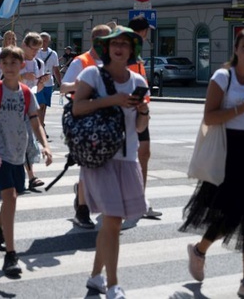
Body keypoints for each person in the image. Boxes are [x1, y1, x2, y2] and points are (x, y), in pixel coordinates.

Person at [181, 27, 244, 299]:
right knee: (229, 213)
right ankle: (200, 250)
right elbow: (209, 117)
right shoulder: (223, 77)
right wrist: (243, 108)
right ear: (236, 49)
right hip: (228, 149)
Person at [71, 26, 149, 298]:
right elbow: (77, 107)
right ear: (106, 48)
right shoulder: (92, 73)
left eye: (124, 44)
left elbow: (139, 128)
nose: (119, 48)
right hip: (99, 156)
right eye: (114, 43)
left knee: (111, 224)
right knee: (113, 220)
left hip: (127, 157)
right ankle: (113, 284)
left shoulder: (138, 82)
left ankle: (95, 277)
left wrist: (143, 111)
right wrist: (111, 100)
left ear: (131, 51)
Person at [0, 46, 52, 277]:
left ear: (21, 66)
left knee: (12, 197)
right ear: (0, 65)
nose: (9, 67)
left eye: (14, 63)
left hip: (19, 154)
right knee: (10, 197)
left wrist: (45, 145)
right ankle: (11, 254)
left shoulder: (27, 93)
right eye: (5, 63)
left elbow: (35, 121)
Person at [60, 24, 112, 230]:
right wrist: (86, 84)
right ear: (93, 41)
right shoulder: (81, 61)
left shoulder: (112, 61)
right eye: (100, 41)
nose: (105, 45)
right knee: (87, 165)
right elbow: (64, 87)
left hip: (106, 121)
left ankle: (85, 193)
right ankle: (82, 209)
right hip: (83, 119)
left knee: (105, 166)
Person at [127, 15, 163, 219]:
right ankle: (87, 189)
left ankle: (140, 200)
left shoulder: (138, 51)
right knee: (124, 157)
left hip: (141, 109)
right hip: (126, 110)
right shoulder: (126, 48)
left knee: (144, 153)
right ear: (143, 31)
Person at [20, 32, 49, 190]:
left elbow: (37, 88)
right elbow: (4, 79)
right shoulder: (16, 60)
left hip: (30, 103)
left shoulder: (39, 63)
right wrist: (22, 75)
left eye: (38, 50)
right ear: (24, 45)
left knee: (29, 140)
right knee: (18, 141)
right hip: (14, 104)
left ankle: (31, 176)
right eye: (33, 49)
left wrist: (42, 82)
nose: (35, 53)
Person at [36, 32, 62, 137]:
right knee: (40, 105)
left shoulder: (53, 54)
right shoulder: (36, 53)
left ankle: (41, 125)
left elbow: (56, 70)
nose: (44, 42)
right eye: (42, 40)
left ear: (49, 41)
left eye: (46, 40)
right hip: (37, 83)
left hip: (49, 83)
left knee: (44, 107)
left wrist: (61, 84)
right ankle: (41, 128)